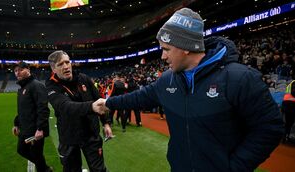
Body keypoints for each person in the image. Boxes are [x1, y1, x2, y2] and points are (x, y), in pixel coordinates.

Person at [95, 8, 284, 172]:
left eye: (166, 49)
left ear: (185, 47)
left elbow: (270, 127)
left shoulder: (240, 78)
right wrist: (109, 103)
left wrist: (235, 167)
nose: (162, 56)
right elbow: (139, 98)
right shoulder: (168, 80)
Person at [46, 50, 112, 172]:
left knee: (99, 170)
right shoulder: (51, 86)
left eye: (67, 62)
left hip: (91, 134)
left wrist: (106, 122)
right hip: (69, 137)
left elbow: (99, 99)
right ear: (53, 69)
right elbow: (65, 107)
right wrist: (91, 106)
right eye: (60, 64)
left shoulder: (83, 78)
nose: (66, 66)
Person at [12, 61, 53, 172]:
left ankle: (44, 169)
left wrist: (40, 128)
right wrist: (16, 123)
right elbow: (23, 110)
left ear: (28, 70)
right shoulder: (22, 88)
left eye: (20, 70)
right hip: (25, 129)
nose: (17, 73)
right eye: (15, 71)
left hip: (35, 131)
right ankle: (45, 169)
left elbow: (43, 108)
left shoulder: (36, 85)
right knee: (21, 150)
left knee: (36, 154)